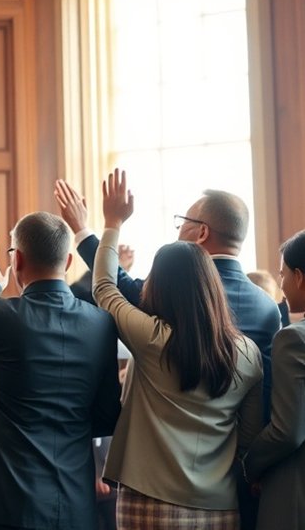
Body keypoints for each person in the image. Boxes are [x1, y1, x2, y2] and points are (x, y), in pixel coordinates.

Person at [92, 169, 263, 529]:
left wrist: (112, 224)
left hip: (148, 499)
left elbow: (104, 287)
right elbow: (247, 439)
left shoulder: (153, 337)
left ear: (158, 287)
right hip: (220, 505)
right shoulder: (249, 354)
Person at [0, 212, 122, 530]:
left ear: (16, 260)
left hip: (1, 499)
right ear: (69, 261)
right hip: (72, 498)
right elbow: (106, 415)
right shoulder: (101, 322)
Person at [244, 230, 305, 528]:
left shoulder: (293, 339)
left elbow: (286, 432)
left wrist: (249, 463)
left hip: (294, 491)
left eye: (283, 274)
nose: (281, 284)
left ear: (299, 277)